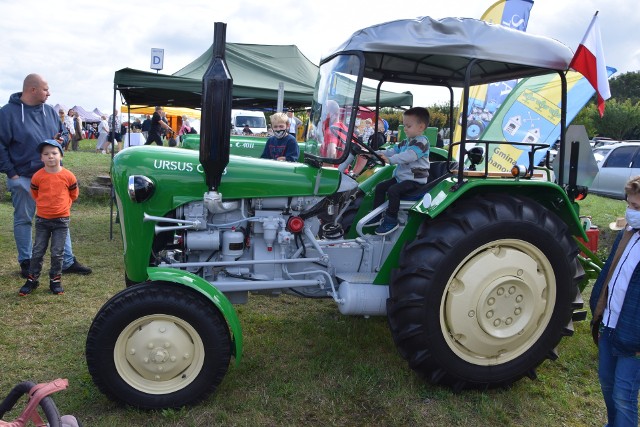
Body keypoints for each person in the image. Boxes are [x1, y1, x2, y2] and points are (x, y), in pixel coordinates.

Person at [0, 73, 91, 278]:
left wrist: (62, 138)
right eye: (45, 89)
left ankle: (66, 261)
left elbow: (64, 133)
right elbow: (0, 145)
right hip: (23, 177)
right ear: (32, 90)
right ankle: (26, 261)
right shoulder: (7, 114)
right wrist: (12, 174)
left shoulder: (50, 112)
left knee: (60, 217)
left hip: (53, 177)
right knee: (24, 219)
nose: (49, 93)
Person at [590, 175, 640, 427]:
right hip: (611, 326)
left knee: (623, 395)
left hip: (634, 337)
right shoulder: (628, 235)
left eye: (636, 208)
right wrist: (599, 313)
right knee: (607, 385)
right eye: (629, 205)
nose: (630, 212)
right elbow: (611, 275)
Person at [19, 140, 79, 296]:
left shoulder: (68, 176)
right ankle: (32, 279)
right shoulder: (38, 176)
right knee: (38, 251)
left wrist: (64, 206)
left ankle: (55, 280)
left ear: (61, 155)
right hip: (42, 220)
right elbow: (35, 193)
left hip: (61, 221)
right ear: (41, 158)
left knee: (57, 252)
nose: (50, 157)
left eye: (54, 153)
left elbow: (74, 194)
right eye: (46, 154)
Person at [372, 107, 431, 235]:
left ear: (421, 127)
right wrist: (373, 153)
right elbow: (392, 150)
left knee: (393, 190)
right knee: (380, 187)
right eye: (404, 126)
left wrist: (390, 160)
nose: (405, 129)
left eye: (408, 126)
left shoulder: (422, 142)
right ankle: (375, 216)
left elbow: (409, 156)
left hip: (415, 180)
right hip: (402, 178)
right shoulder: (405, 142)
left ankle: (391, 220)